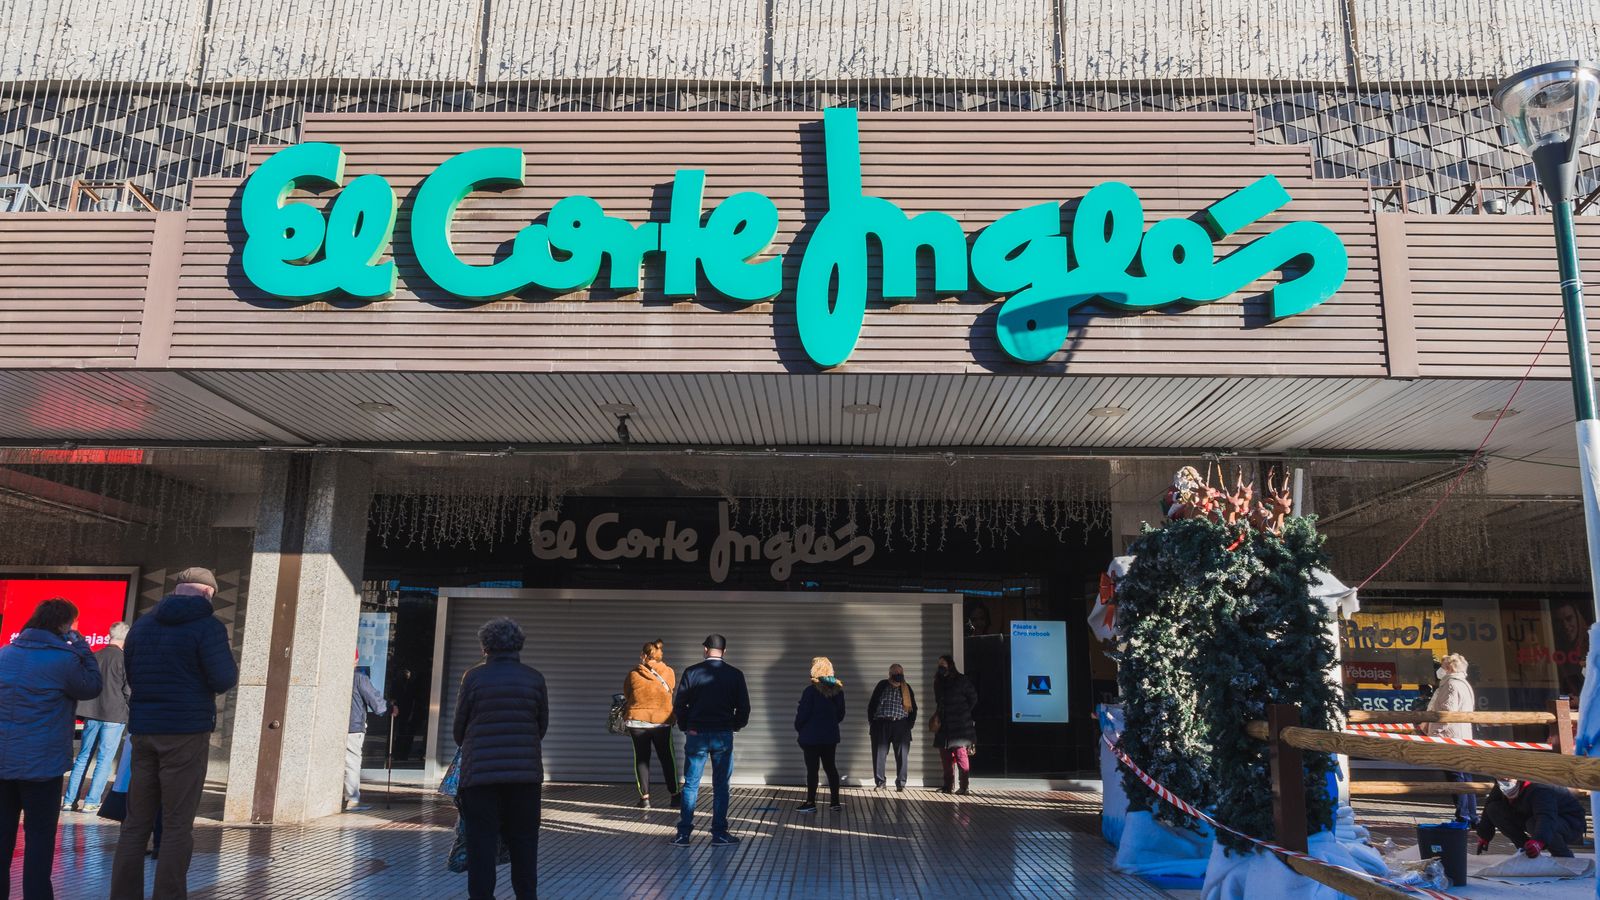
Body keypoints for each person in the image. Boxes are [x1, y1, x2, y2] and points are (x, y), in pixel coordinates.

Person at [111, 567, 240, 900]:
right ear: (208, 593)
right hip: (185, 732)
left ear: (176, 590)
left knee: (135, 822)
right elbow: (223, 679)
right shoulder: (208, 627)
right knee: (177, 823)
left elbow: (131, 674)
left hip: (143, 731)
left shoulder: (142, 625)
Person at [0, 598, 102, 900]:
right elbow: (92, 687)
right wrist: (82, 647)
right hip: (42, 767)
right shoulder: (65, 660)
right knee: (40, 841)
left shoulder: (5, 654)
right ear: (65, 625)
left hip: (3, 764)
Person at [453, 617, 548, 900]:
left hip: (480, 778)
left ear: (486, 647)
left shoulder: (473, 677)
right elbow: (540, 726)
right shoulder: (534, 678)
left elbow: (460, 729)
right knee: (524, 843)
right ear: (518, 646)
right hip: (524, 778)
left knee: (481, 844)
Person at [671, 633, 750, 847]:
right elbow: (744, 708)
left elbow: (679, 705)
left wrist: (687, 726)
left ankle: (684, 834)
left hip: (697, 733)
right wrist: (734, 725)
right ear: (724, 651)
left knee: (691, 784)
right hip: (722, 734)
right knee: (721, 785)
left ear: (705, 649)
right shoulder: (735, 675)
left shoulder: (691, 672)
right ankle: (719, 833)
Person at [65, 620, 131, 813]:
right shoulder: (125, 661)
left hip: (91, 714)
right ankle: (92, 802)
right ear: (126, 639)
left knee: (83, 757)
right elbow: (128, 690)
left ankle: (69, 800)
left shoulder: (95, 657)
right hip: (114, 715)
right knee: (104, 759)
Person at [622, 639, 679, 809]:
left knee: (641, 759)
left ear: (643, 655)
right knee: (667, 758)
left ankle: (645, 798)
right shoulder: (669, 672)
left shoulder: (633, 674)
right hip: (661, 722)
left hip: (637, 721)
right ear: (660, 655)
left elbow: (627, 694)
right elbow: (671, 691)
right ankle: (675, 795)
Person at [1423, 653, 1478, 825]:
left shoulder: (1451, 685)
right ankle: (1472, 816)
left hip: (1450, 737)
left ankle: (1463, 816)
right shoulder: (1463, 684)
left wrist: (1435, 735)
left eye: (1442, 666)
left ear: (1448, 668)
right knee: (1465, 777)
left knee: (1456, 777)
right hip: (1462, 736)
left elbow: (1445, 713)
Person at [1475, 779, 1587, 858]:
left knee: (1533, 823)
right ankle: (1524, 850)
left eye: (1508, 779)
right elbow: (1490, 805)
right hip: (1534, 816)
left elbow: (1546, 816)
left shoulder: (1540, 787)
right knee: (1494, 809)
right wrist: (1484, 836)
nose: (1504, 783)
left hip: (1570, 822)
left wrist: (1539, 841)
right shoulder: (1501, 785)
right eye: (1500, 779)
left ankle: (1563, 855)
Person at [793, 656, 847, 812]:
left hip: (811, 737)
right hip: (830, 736)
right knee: (831, 767)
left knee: (812, 769)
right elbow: (841, 714)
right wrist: (830, 724)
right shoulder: (838, 691)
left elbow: (802, 714)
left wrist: (800, 728)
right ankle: (835, 803)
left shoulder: (810, 691)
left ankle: (810, 802)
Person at [346, 652, 392, 813]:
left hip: (333, 726)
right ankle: (351, 799)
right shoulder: (359, 678)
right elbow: (377, 703)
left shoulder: (334, 675)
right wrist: (390, 708)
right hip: (353, 727)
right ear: (356, 659)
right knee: (351, 762)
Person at [931, 654, 978, 795]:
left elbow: (973, 698)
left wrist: (963, 712)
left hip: (960, 725)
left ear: (950, 665)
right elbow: (938, 701)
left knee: (960, 755)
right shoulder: (938, 681)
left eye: (943, 664)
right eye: (939, 664)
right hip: (944, 725)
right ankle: (947, 786)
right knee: (945, 758)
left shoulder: (962, 680)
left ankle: (964, 787)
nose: (941, 667)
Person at [867, 663, 917, 792]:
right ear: (890, 674)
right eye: (895, 673)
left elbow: (913, 708)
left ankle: (901, 784)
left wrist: (909, 725)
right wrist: (872, 723)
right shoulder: (882, 685)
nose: (898, 675)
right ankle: (880, 783)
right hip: (881, 723)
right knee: (879, 755)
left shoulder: (907, 688)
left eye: (900, 672)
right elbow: (872, 704)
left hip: (901, 725)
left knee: (902, 756)